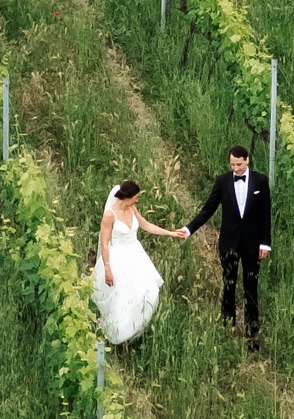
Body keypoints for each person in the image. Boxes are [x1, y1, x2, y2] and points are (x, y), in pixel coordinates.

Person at [185, 144, 272, 349]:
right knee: (229, 285)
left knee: (251, 287)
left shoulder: (260, 181)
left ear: (247, 161)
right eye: (232, 164)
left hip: (252, 244)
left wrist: (265, 243)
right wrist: (189, 229)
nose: (236, 168)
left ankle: (252, 334)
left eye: (239, 164)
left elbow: (265, 214)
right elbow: (208, 209)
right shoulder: (222, 181)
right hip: (229, 243)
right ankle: (227, 329)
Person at [90, 180, 183, 347]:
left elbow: (146, 225)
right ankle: (117, 337)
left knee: (148, 292)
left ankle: (133, 330)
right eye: (136, 197)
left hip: (136, 256)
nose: (138, 200)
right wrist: (107, 268)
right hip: (118, 258)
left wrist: (170, 233)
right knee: (122, 298)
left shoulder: (132, 209)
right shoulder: (110, 215)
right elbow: (104, 244)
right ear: (127, 196)